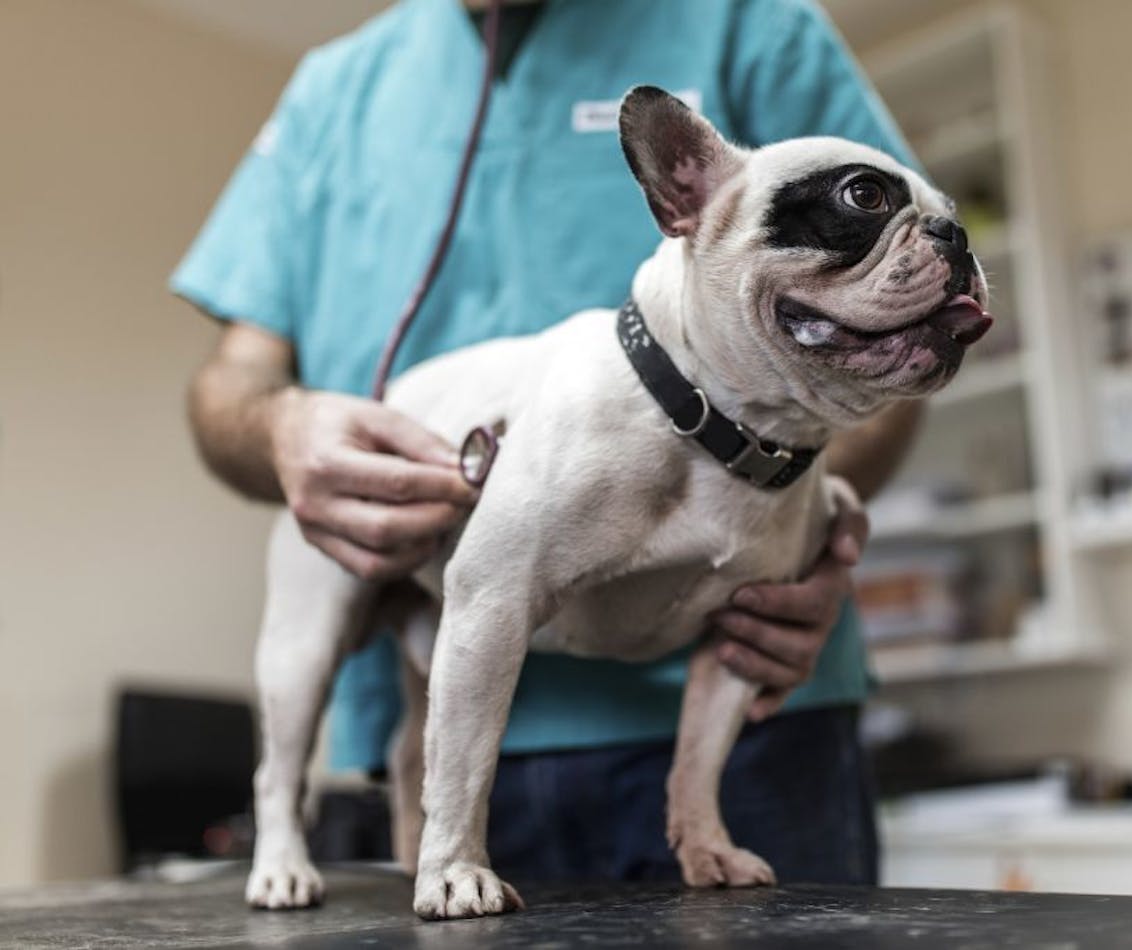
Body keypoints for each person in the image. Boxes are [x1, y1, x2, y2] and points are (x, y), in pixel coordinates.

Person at [174, 0, 922, 884]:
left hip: (751, 718)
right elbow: (232, 386)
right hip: (446, 722)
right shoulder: (329, 96)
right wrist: (283, 429)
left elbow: (895, 308)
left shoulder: (748, 24)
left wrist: (802, 530)